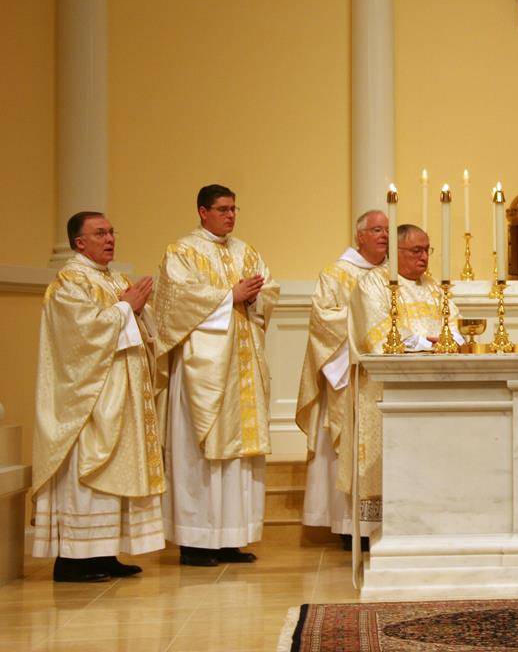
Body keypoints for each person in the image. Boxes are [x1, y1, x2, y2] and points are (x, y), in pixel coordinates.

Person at [31, 211, 164, 582]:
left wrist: (139, 312)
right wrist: (126, 308)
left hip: (120, 398)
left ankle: (103, 553)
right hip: (88, 402)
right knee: (87, 474)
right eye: (100, 233)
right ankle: (73, 560)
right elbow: (79, 338)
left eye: (111, 232)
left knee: (114, 475)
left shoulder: (114, 279)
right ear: (79, 242)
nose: (110, 238)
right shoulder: (69, 281)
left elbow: (138, 325)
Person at [154, 184, 279, 566]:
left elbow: (268, 287)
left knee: (239, 457)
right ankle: (195, 542)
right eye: (223, 209)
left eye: (234, 209)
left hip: (241, 366)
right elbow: (175, 302)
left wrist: (257, 296)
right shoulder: (182, 252)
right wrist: (230, 296)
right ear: (202, 211)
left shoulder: (246, 251)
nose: (230, 216)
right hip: (203, 372)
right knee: (200, 454)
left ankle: (229, 538)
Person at [346, 224, 464, 502]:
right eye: (416, 250)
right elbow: (375, 332)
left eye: (427, 250)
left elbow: (454, 322)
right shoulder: (374, 283)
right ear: (395, 252)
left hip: (437, 385)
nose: (424, 257)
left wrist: (452, 339)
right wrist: (426, 344)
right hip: (388, 387)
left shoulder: (435, 287)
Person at [295, 210, 388, 550]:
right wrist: (367, 330)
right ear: (359, 235)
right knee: (348, 447)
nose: (384, 236)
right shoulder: (336, 274)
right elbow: (324, 321)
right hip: (350, 373)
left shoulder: (392, 276)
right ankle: (350, 527)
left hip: (383, 376)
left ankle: (380, 525)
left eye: (387, 230)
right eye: (377, 230)